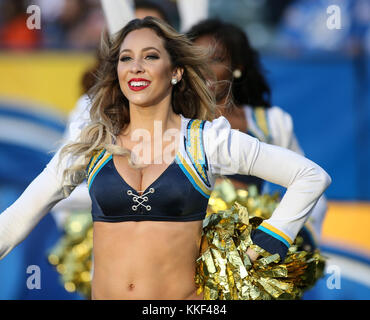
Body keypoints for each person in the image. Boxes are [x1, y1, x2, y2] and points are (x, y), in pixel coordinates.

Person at [0, 17, 331, 300]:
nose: (136, 67)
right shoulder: (93, 142)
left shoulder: (208, 140)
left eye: (150, 56)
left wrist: (269, 241)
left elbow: (311, 176)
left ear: (176, 72)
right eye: (126, 59)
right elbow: (16, 220)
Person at [186, 19, 328, 246]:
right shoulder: (173, 122)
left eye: (216, 59)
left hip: (250, 256)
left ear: (237, 67)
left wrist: (291, 235)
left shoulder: (272, 123)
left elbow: (310, 181)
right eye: (196, 60)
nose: (204, 69)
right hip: (187, 250)